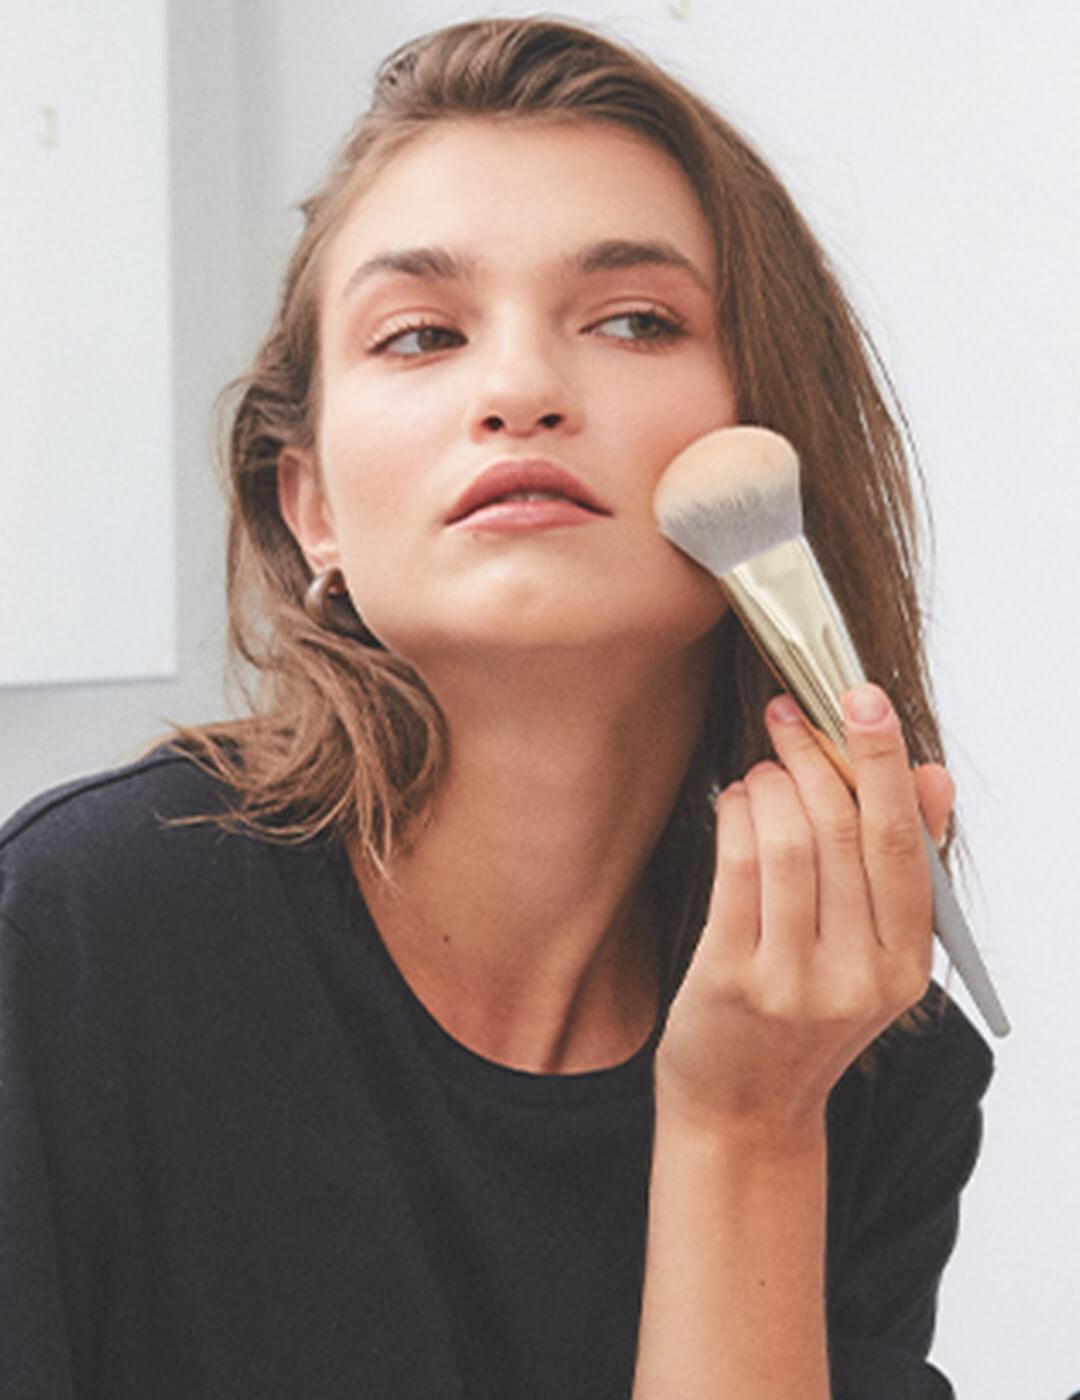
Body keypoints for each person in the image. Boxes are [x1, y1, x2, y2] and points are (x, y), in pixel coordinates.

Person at [0, 17, 992, 1400]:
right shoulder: (71, 943)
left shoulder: (860, 1055)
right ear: (313, 504)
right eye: (420, 337)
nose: (519, 389)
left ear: (776, 453)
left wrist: (748, 1129)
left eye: (636, 320)